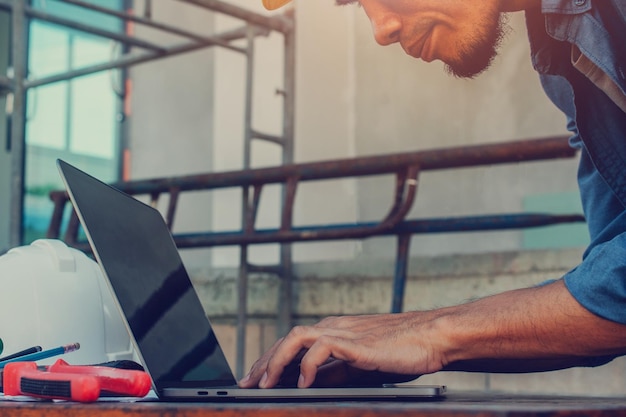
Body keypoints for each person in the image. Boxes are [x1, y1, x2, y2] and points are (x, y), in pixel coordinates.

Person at [239, 0, 626, 389]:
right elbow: (608, 295)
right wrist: (411, 344)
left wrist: (433, 333)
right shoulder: (560, 61)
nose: (380, 29)